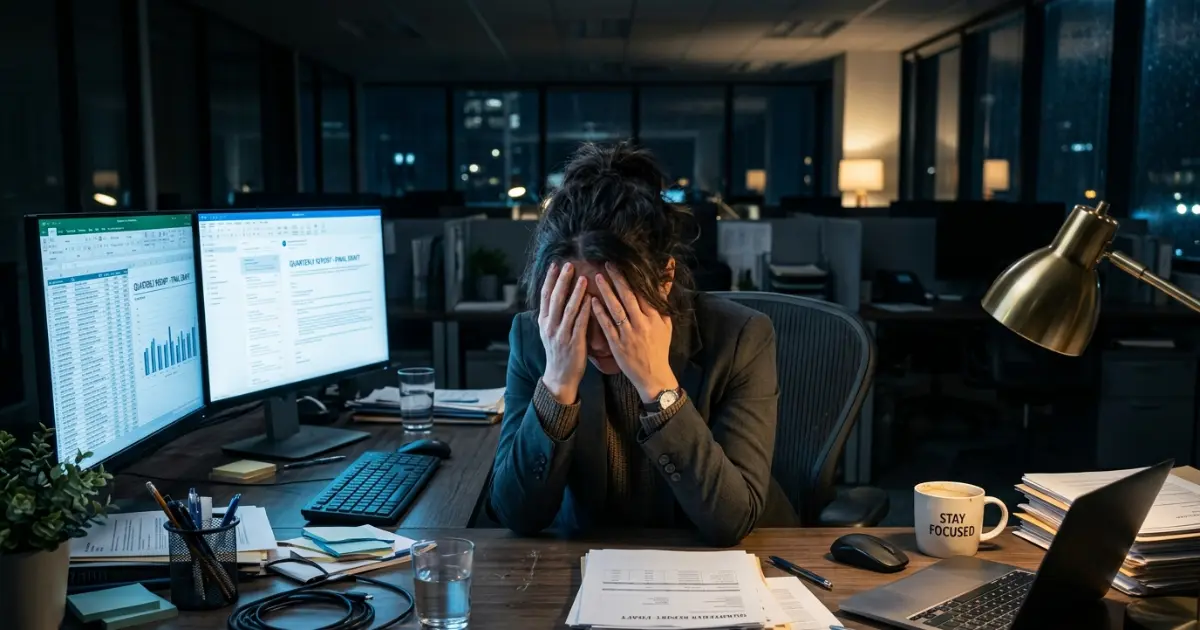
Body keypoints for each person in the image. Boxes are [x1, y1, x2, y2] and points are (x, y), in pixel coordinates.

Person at [488, 143, 788, 546]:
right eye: (576, 312)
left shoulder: (741, 337)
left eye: (614, 312)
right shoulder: (536, 337)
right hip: (585, 570)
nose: (594, 340)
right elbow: (516, 514)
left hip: (712, 569)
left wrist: (658, 388)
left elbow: (731, 520)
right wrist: (557, 384)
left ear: (664, 278)